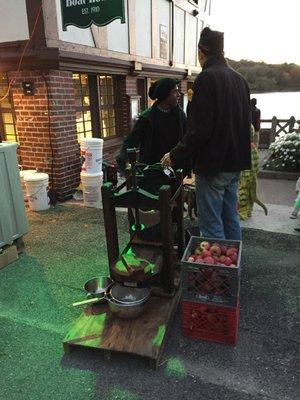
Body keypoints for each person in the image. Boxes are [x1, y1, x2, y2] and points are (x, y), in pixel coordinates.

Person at [161, 27, 251, 240]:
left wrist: (173, 155)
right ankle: (232, 269)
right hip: (235, 163)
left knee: (211, 224)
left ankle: (217, 273)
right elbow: (246, 123)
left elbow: (199, 131)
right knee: (230, 218)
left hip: (213, 165)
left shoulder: (206, 78)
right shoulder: (240, 80)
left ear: (202, 51)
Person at [116, 78, 188, 177]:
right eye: (175, 92)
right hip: (152, 169)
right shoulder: (147, 118)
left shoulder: (179, 115)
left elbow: (187, 138)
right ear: (165, 94)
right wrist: (122, 161)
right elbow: (131, 141)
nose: (179, 95)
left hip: (175, 168)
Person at [238, 125, 267, 220]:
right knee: (251, 195)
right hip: (253, 175)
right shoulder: (253, 147)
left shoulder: (242, 148)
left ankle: (243, 213)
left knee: (243, 194)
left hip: (245, 176)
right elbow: (256, 164)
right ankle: (249, 210)